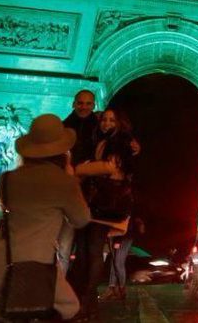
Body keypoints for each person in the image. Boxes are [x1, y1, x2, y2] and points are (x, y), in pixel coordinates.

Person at [0, 114, 91, 322]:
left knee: (9, 307)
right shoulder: (64, 183)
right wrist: (71, 180)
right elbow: (81, 219)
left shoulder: (7, 179)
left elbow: (4, 209)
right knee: (70, 308)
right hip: (33, 275)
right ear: (63, 152)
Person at [68, 108, 137, 318]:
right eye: (104, 119)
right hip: (91, 203)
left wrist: (79, 169)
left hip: (104, 205)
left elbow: (110, 167)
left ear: (120, 123)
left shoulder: (122, 143)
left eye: (111, 120)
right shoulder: (99, 140)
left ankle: (87, 299)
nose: (106, 123)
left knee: (93, 251)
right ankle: (84, 300)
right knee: (83, 252)